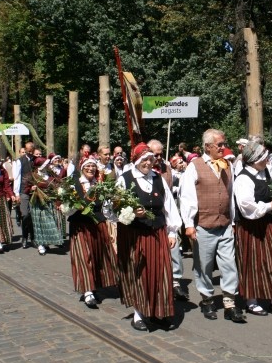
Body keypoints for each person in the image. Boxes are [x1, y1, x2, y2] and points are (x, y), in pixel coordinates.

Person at [110, 143, 182, 331]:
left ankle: (159, 311)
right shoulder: (125, 180)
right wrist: (132, 212)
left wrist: (172, 231)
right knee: (138, 272)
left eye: (151, 159)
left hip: (157, 232)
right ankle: (139, 314)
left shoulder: (159, 179)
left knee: (161, 271)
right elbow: (112, 209)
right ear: (137, 161)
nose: (149, 163)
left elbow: (169, 206)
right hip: (134, 234)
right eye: (145, 160)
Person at [179, 128, 245, 323]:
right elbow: (187, 197)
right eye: (220, 145)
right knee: (204, 265)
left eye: (224, 144)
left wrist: (232, 220)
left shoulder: (227, 166)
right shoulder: (195, 166)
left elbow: (229, 195)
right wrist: (189, 224)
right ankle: (207, 299)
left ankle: (229, 303)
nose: (223, 148)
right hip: (204, 225)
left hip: (224, 224)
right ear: (208, 147)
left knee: (229, 264)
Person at [234, 139, 272, 318]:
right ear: (254, 159)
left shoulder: (268, 171)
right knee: (253, 263)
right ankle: (251, 300)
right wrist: (271, 206)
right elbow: (247, 208)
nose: (267, 160)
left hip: (271, 223)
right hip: (252, 226)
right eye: (263, 157)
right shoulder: (244, 179)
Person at [68, 157, 118, 309]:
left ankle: (95, 284)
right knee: (83, 256)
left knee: (98, 255)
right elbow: (66, 207)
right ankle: (87, 290)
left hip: (98, 224)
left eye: (93, 166)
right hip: (80, 225)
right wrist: (75, 207)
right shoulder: (73, 184)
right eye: (88, 166)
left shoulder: (99, 184)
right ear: (82, 168)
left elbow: (106, 206)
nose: (91, 168)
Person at [148, 139, 189, 302]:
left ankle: (176, 281)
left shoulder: (166, 169)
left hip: (167, 215)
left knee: (174, 249)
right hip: (149, 217)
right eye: (155, 154)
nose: (158, 158)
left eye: (160, 154)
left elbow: (170, 192)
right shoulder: (141, 168)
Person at [29, 157, 65, 255]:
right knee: (39, 223)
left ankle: (46, 242)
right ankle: (40, 244)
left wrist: (59, 197)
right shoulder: (33, 176)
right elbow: (25, 188)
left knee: (49, 222)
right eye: (45, 165)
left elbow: (58, 183)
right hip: (38, 202)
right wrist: (31, 189)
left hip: (50, 201)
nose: (47, 166)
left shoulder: (50, 174)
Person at [13, 142, 35, 248]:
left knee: (33, 215)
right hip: (24, 191)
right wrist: (16, 193)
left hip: (35, 191)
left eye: (32, 150)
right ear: (25, 150)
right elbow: (17, 178)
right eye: (28, 150)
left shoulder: (36, 160)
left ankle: (33, 237)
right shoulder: (20, 161)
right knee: (25, 215)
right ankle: (25, 236)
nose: (30, 152)